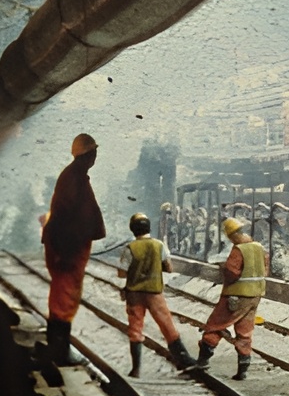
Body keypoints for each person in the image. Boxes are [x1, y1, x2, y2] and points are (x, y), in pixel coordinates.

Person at [42, 134, 106, 366]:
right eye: (93, 152)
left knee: (65, 294)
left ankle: (58, 347)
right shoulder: (73, 177)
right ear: (86, 154)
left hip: (70, 245)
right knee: (65, 296)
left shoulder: (75, 175)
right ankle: (59, 350)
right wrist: (63, 251)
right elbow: (63, 215)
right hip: (69, 247)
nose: (96, 156)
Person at [118, 213, 196, 376]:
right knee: (167, 325)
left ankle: (136, 369)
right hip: (154, 293)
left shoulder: (129, 248)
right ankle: (184, 359)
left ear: (132, 229)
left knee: (135, 328)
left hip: (134, 294)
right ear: (149, 227)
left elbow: (121, 274)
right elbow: (169, 268)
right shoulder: (159, 245)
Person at [194, 217, 266, 379]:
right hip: (255, 296)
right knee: (245, 331)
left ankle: (202, 361)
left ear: (233, 234)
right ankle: (243, 370)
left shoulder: (239, 250)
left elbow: (232, 272)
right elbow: (264, 270)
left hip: (236, 296)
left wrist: (223, 268)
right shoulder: (258, 247)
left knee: (215, 325)